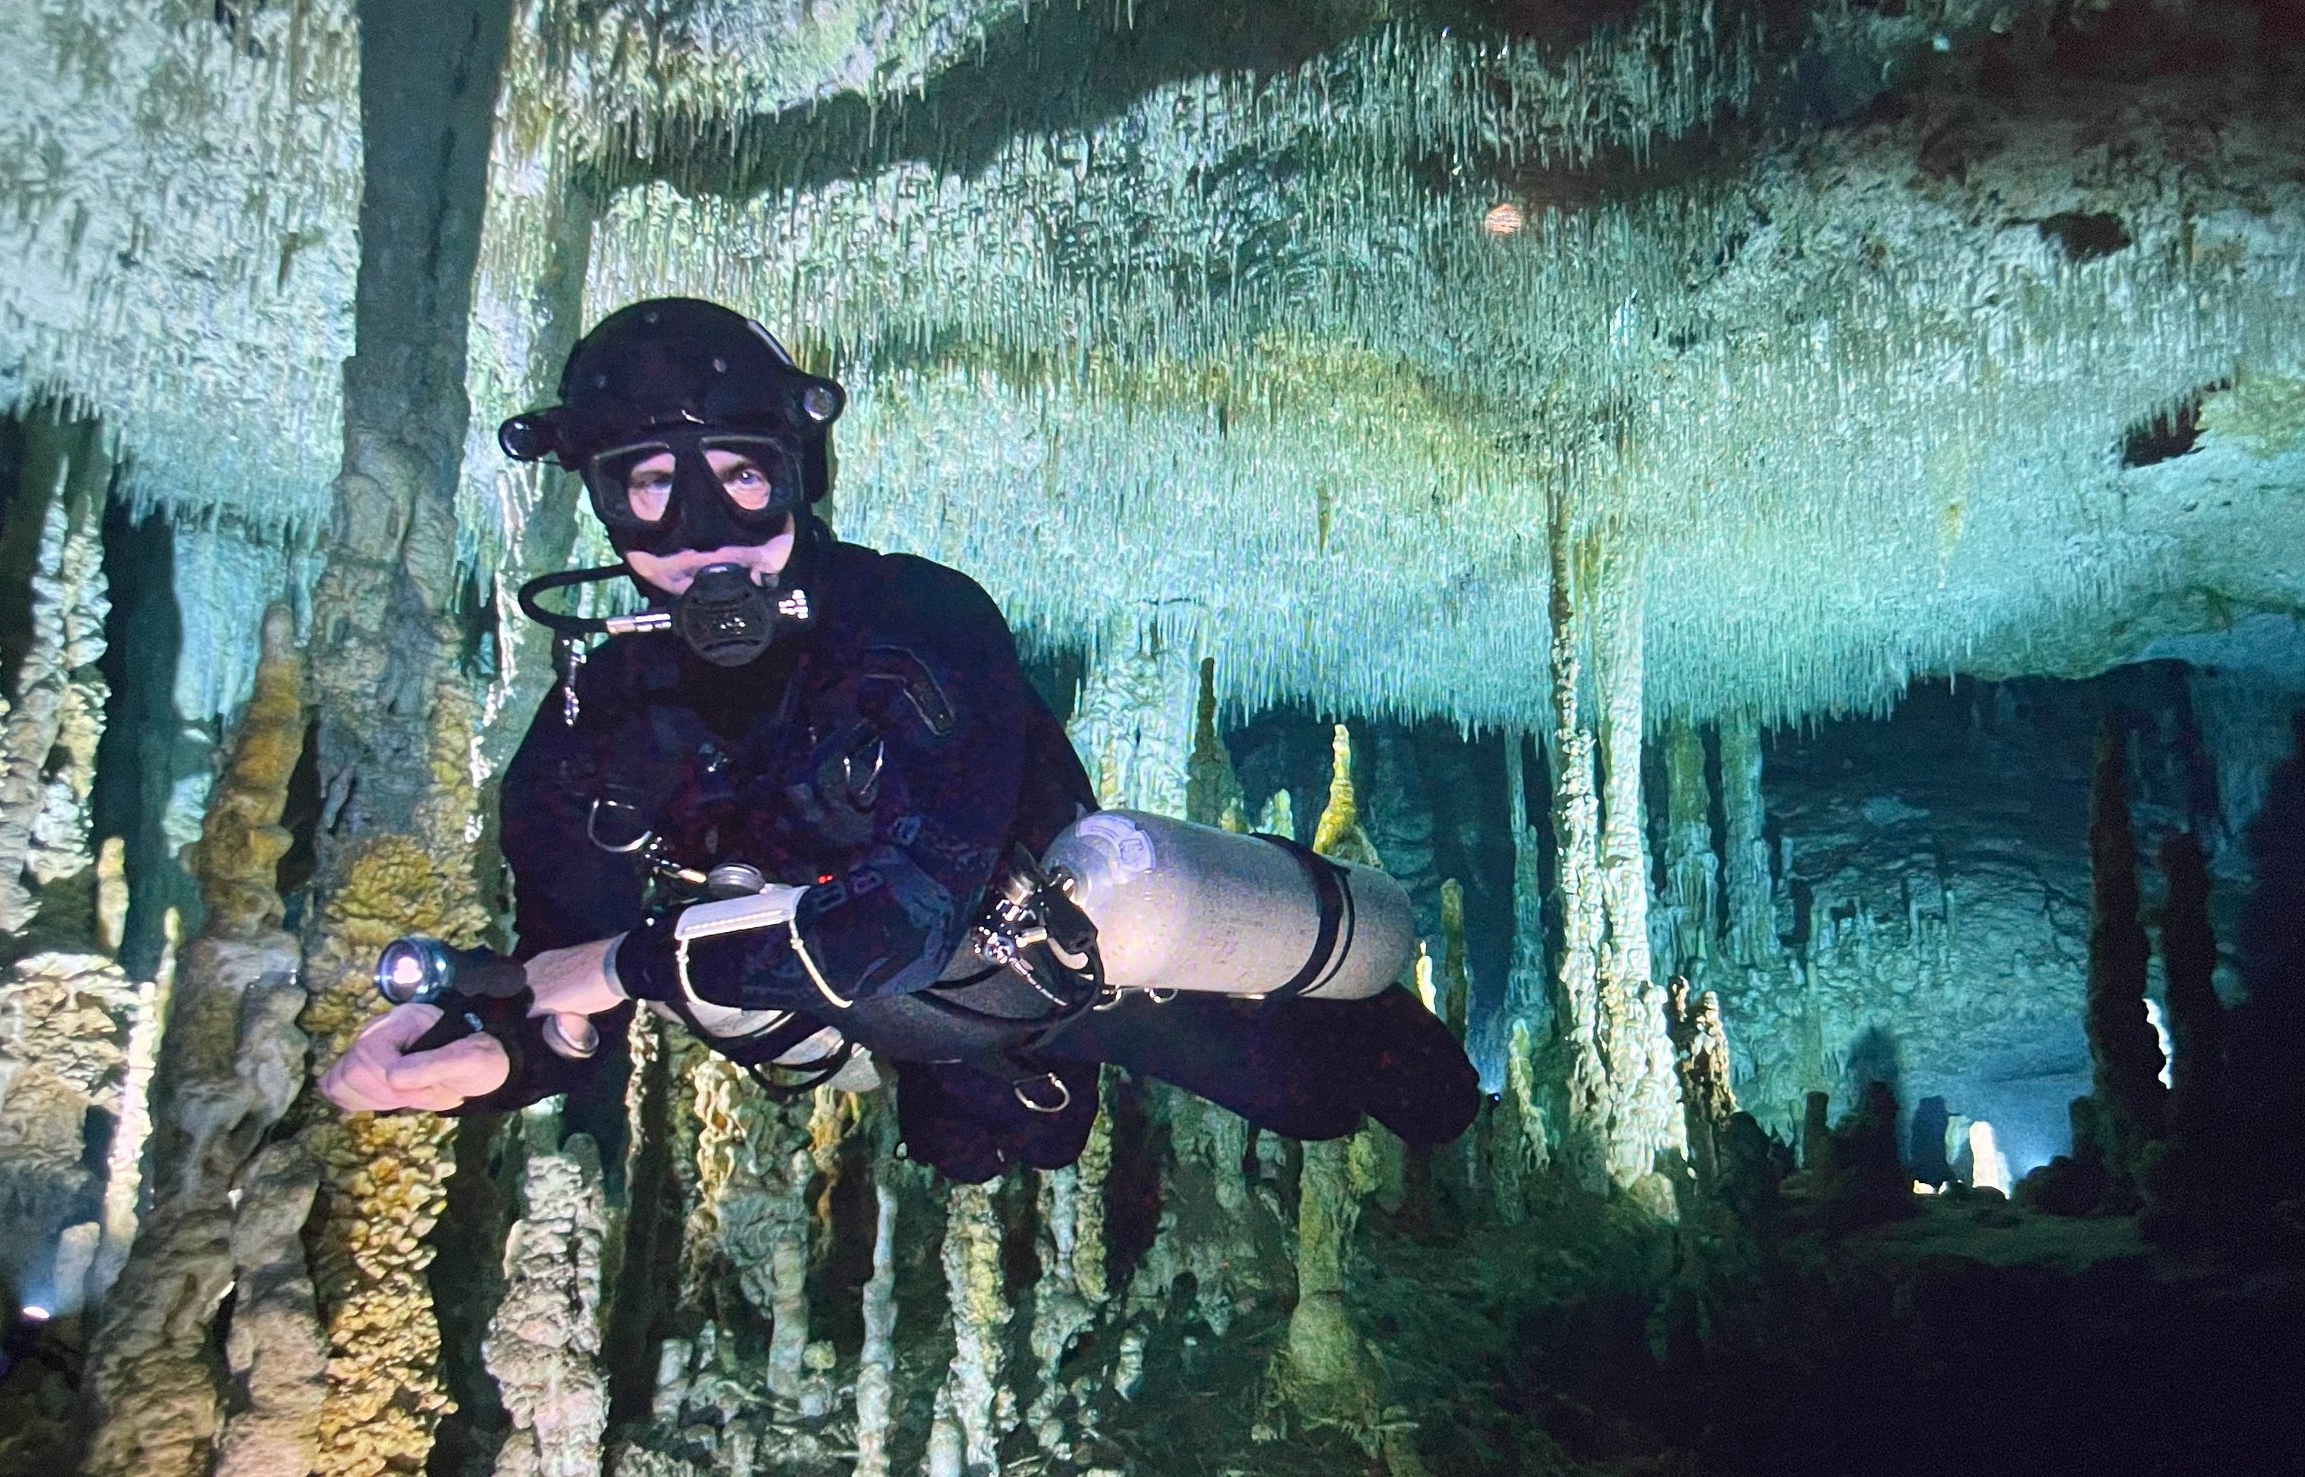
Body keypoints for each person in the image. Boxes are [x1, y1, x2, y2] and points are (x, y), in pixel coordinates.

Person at [320, 297, 1478, 1181]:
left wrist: (625, 965)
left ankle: (1374, 1017)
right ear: (603, 506)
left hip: (1063, 959)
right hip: (890, 1022)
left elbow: (897, 928)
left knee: (1352, 1100)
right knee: (982, 1151)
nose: (703, 539)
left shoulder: (914, 624)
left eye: (741, 479)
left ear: (800, 478)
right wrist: (491, 1058)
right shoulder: (602, 721)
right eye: (650, 493)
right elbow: (561, 967)